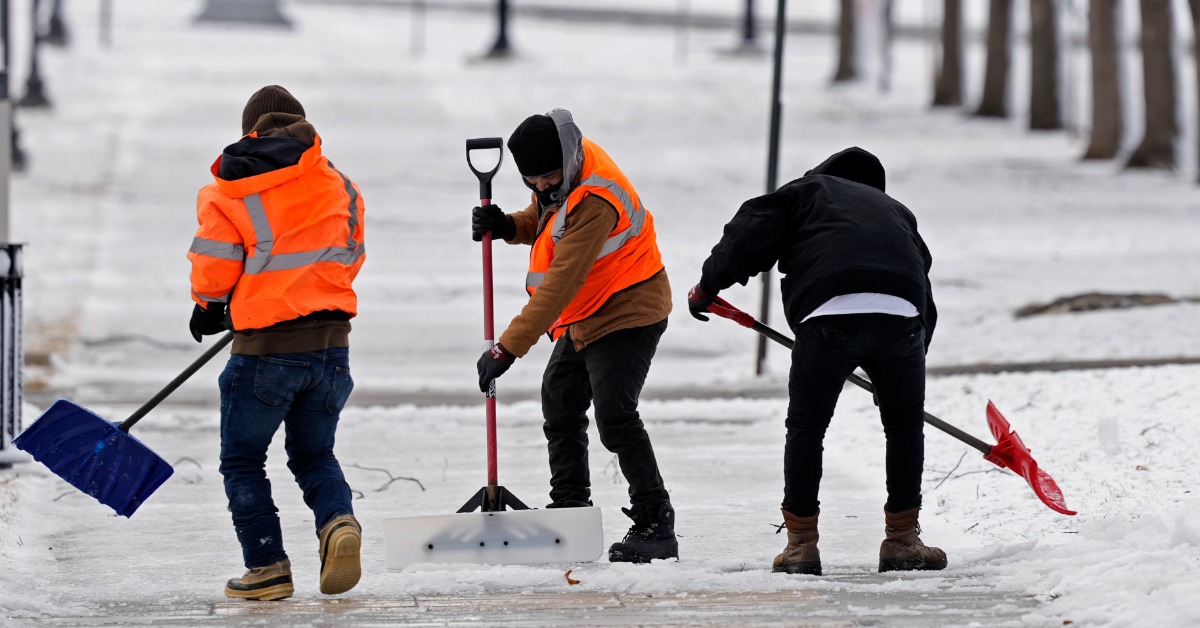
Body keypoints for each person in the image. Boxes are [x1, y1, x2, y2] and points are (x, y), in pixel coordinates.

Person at [687, 147, 945, 575]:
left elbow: (751, 230)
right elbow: (921, 282)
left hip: (829, 313)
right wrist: (911, 357)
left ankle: (801, 545)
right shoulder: (896, 211)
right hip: (903, 317)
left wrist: (708, 284)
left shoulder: (809, 190)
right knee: (903, 426)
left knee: (807, 427)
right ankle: (902, 540)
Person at [472, 108, 677, 563]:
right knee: (560, 398)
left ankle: (656, 522)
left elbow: (561, 280)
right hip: (587, 309)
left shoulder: (596, 199)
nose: (541, 187)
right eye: (532, 180)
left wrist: (507, 348)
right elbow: (547, 220)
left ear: (564, 161)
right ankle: (570, 508)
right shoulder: (566, 171)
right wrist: (509, 226)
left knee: (615, 414)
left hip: (629, 306)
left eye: (547, 177)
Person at [188, 85, 367, 600]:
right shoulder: (340, 184)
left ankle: (266, 566)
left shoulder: (229, 185)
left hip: (265, 352)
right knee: (314, 453)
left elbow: (216, 266)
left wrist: (210, 304)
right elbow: (349, 255)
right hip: (333, 346)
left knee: (243, 459)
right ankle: (338, 523)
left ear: (251, 129)